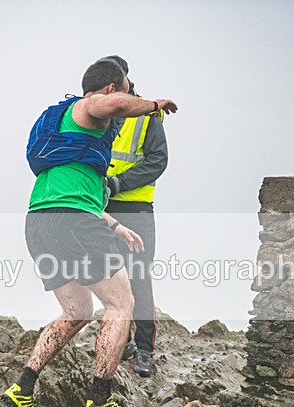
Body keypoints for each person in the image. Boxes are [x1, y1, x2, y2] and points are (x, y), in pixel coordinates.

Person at [2, 61, 178, 407]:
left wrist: (116, 227)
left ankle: (22, 388)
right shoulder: (89, 106)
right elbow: (108, 105)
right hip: (75, 223)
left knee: (77, 312)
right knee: (121, 302)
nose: (130, 97)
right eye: (128, 90)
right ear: (113, 88)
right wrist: (154, 105)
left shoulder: (63, 134)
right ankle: (99, 398)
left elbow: (81, 195)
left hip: (41, 223)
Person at [98, 55, 169, 378]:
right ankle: (119, 340)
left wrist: (117, 184)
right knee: (111, 278)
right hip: (103, 210)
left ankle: (144, 349)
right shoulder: (98, 112)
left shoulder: (145, 113)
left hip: (136, 209)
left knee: (139, 278)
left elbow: (158, 161)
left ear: (122, 79)